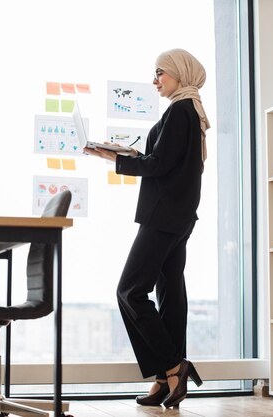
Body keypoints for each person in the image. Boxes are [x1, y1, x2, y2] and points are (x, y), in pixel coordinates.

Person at [84, 48, 210, 408]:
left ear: (179, 74)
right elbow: (164, 163)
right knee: (170, 294)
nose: (155, 81)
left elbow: (158, 167)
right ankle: (165, 380)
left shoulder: (181, 112)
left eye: (160, 74)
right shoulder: (189, 112)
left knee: (130, 291)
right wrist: (122, 155)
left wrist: (119, 159)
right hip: (179, 216)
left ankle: (173, 366)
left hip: (165, 216)